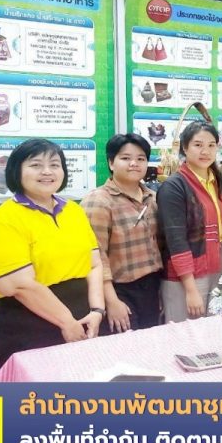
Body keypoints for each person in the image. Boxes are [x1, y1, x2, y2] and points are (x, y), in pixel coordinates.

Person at [0, 139, 104, 372]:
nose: (47, 172)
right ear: (16, 171)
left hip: (83, 316)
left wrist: (97, 311)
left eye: (54, 164)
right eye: (35, 165)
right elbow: (19, 285)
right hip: (28, 323)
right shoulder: (3, 219)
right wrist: (67, 322)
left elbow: (94, 265)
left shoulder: (73, 210)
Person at [81, 134, 163, 334]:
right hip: (119, 291)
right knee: (125, 347)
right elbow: (96, 257)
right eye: (125, 158)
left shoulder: (153, 198)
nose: (134, 163)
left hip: (152, 287)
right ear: (111, 163)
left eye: (141, 159)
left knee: (151, 344)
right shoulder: (98, 201)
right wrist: (112, 302)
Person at [157, 122, 222, 322]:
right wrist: (190, 289)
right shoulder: (174, 186)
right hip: (187, 270)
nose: (205, 151)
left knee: (214, 326)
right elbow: (175, 239)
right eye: (198, 145)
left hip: (219, 263)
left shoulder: (218, 181)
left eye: (211, 145)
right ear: (185, 147)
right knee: (185, 330)